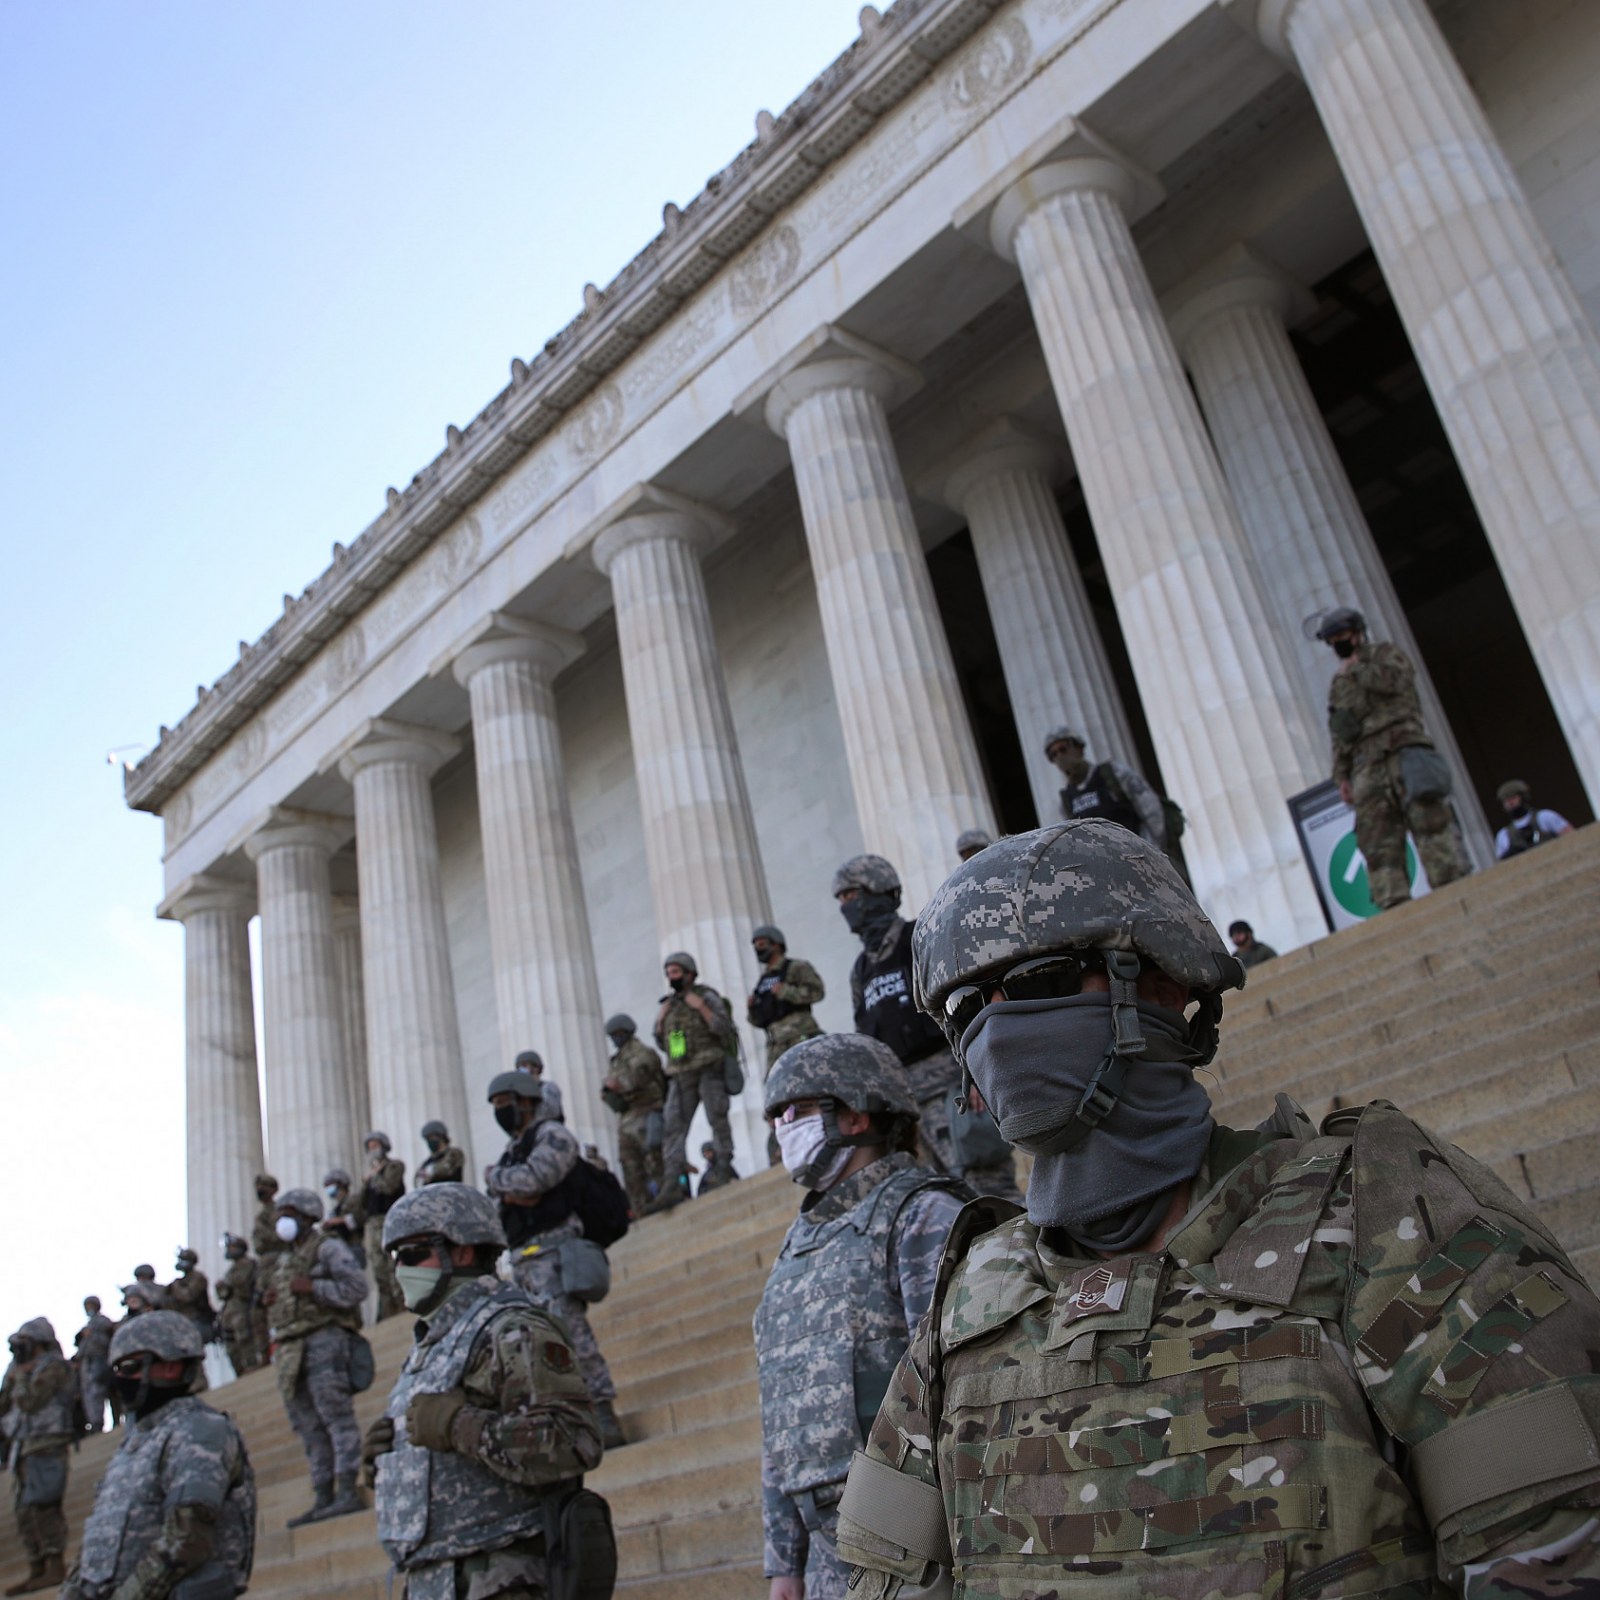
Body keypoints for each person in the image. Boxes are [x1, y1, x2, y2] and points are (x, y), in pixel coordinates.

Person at [835, 819, 1600, 1599]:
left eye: (1041, 982)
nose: (996, 1030)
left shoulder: (1381, 1218)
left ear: (1164, 985)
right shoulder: (974, 1297)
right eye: (967, 1008)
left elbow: (1555, 1551)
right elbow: (884, 1579)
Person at [757, 1035, 969, 1600]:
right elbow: (780, 1411)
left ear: (853, 1115)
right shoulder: (799, 1242)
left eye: (795, 1111)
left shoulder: (922, 1214)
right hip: (829, 1552)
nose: (782, 1127)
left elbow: (965, 1389)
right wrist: (785, 1563)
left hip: (918, 1541)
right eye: (775, 1115)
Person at [366, 1183, 608, 1600]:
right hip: (434, 1580)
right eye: (396, 1258)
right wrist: (388, 1462)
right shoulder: (432, 1344)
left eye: (411, 1255)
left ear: (462, 1251)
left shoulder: (511, 1328)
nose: (401, 1270)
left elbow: (575, 1442)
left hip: (500, 1577)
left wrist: (458, 1424)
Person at [834, 854, 1019, 1203]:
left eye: (852, 894)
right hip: (909, 1103)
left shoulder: (917, 939)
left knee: (988, 1189)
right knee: (946, 1202)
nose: (847, 906)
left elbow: (962, 1004)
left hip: (954, 1088)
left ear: (879, 891)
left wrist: (976, 1072)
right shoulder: (860, 969)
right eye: (841, 899)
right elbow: (869, 1043)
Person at [58, 1312, 255, 1600]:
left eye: (129, 1368)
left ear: (171, 1368)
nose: (121, 1379)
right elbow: (97, 1543)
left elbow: (187, 1539)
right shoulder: (134, 1445)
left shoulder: (199, 1430)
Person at [485, 1070, 627, 1450]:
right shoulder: (513, 1151)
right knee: (533, 1346)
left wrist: (499, 1179)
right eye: (496, 1106)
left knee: (571, 1335)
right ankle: (567, 1416)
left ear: (527, 1100)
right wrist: (507, 1182)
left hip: (556, 1254)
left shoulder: (554, 1136)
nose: (501, 1113)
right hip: (523, 1259)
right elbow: (507, 1197)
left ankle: (602, 1411)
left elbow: (532, 1183)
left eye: (506, 1104)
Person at [1319, 605, 1469, 909]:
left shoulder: (1386, 655)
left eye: (1343, 637)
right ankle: (1394, 903)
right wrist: (1342, 777)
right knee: (1377, 841)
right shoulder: (1339, 682)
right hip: (1366, 767)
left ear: (1358, 634)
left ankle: (1455, 889)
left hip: (1405, 750)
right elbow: (1340, 732)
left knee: (1430, 822)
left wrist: (1357, 667)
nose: (1339, 645)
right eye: (1333, 640)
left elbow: (1395, 682)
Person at [261, 1185, 369, 1526]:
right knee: (308, 1426)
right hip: (291, 1349)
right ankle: (323, 1496)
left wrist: (314, 1288)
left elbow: (357, 1287)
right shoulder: (284, 1260)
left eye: (288, 1214)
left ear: (308, 1217)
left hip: (325, 1339)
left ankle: (348, 1490)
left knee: (335, 1417)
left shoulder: (328, 1248)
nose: (281, 1221)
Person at [653, 951, 738, 1208]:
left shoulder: (706, 996)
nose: (672, 978)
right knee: (673, 1126)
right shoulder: (669, 1005)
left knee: (717, 1117)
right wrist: (659, 1022)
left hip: (709, 1067)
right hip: (681, 1073)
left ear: (689, 973)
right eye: (669, 973)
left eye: (676, 972)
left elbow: (724, 1028)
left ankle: (723, 1167)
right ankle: (672, 1181)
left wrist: (700, 1008)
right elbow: (664, 1044)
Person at [1, 1318, 75, 1594]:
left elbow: (32, 1402)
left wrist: (21, 1377)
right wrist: (12, 1379)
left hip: (47, 1442)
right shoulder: (18, 1368)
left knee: (44, 1505)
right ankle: (37, 1566)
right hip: (23, 1444)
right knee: (23, 1510)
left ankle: (55, 1565)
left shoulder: (53, 1366)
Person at [1043, 726, 1165, 847]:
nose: (1059, 757)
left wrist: (1151, 851)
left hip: (1137, 853)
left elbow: (1152, 812)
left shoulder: (1114, 774)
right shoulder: (1066, 801)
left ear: (1078, 748)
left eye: (1063, 749)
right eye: (1053, 755)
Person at [602, 1013, 668, 1216]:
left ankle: (666, 1199)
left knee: (653, 1160)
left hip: (648, 1110)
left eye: (619, 1033)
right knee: (630, 1166)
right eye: (613, 1035)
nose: (616, 1038)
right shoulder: (617, 1059)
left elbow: (641, 1075)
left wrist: (618, 1085)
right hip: (628, 1117)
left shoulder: (641, 1052)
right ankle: (640, 1209)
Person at [748, 925, 826, 1074]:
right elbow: (760, 1020)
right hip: (775, 1044)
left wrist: (786, 991)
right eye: (756, 946)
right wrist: (752, 1009)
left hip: (799, 1035)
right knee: (777, 1090)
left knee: (811, 1077)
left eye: (762, 944)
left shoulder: (796, 967)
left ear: (776, 944)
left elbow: (817, 992)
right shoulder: (763, 980)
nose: (758, 949)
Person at [361, 1131, 408, 1321]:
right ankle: (388, 1311)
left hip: (391, 1219)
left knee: (394, 1264)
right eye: (370, 1147)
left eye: (376, 1145)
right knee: (379, 1268)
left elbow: (389, 1187)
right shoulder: (370, 1175)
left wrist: (374, 1176)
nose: (373, 1150)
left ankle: (403, 1304)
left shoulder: (393, 1166)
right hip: (373, 1224)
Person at [215, 1233, 268, 1377]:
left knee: (245, 1341)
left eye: (231, 1247)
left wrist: (225, 1286)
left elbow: (240, 1284)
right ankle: (241, 1371)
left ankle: (252, 1366)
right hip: (231, 1312)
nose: (228, 1250)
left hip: (243, 1310)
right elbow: (224, 1293)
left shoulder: (248, 1264)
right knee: (231, 1346)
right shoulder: (231, 1270)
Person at [1494, 777, 1573, 859]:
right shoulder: (1504, 835)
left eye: (1513, 798)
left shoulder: (1545, 817)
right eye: (1506, 801)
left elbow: (1571, 837)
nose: (1510, 803)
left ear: (1523, 797)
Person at [73, 1298, 117, 1433]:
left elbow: (106, 1341)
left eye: (90, 1305)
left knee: (98, 1393)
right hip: (88, 1363)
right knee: (90, 1395)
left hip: (100, 1360)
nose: (88, 1308)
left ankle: (99, 1423)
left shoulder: (102, 1322)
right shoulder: (88, 1326)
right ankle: (95, 1423)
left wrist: (92, 1335)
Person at [165, 1247, 216, 1345]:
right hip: (183, 1320)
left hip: (197, 1320)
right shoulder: (182, 1280)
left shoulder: (198, 1277)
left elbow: (187, 1296)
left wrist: (176, 1286)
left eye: (184, 1260)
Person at [322, 1167, 364, 1263]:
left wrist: (339, 1220)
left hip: (353, 1245)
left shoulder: (353, 1200)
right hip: (341, 1246)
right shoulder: (336, 1207)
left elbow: (358, 1220)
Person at [417, 1119, 465, 1187]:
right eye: (427, 1139)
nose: (429, 1141)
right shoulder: (428, 1161)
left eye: (431, 1137)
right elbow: (418, 1179)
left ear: (440, 1136)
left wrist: (430, 1171)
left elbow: (446, 1168)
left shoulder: (454, 1153)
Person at [252, 1173, 287, 1259]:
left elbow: (279, 1236)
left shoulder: (280, 1211)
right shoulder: (261, 1214)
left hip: (277, 1256)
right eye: (258, 1185)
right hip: (265, 1257)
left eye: (264, 1185)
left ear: (274, 1189)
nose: (260, 1189)